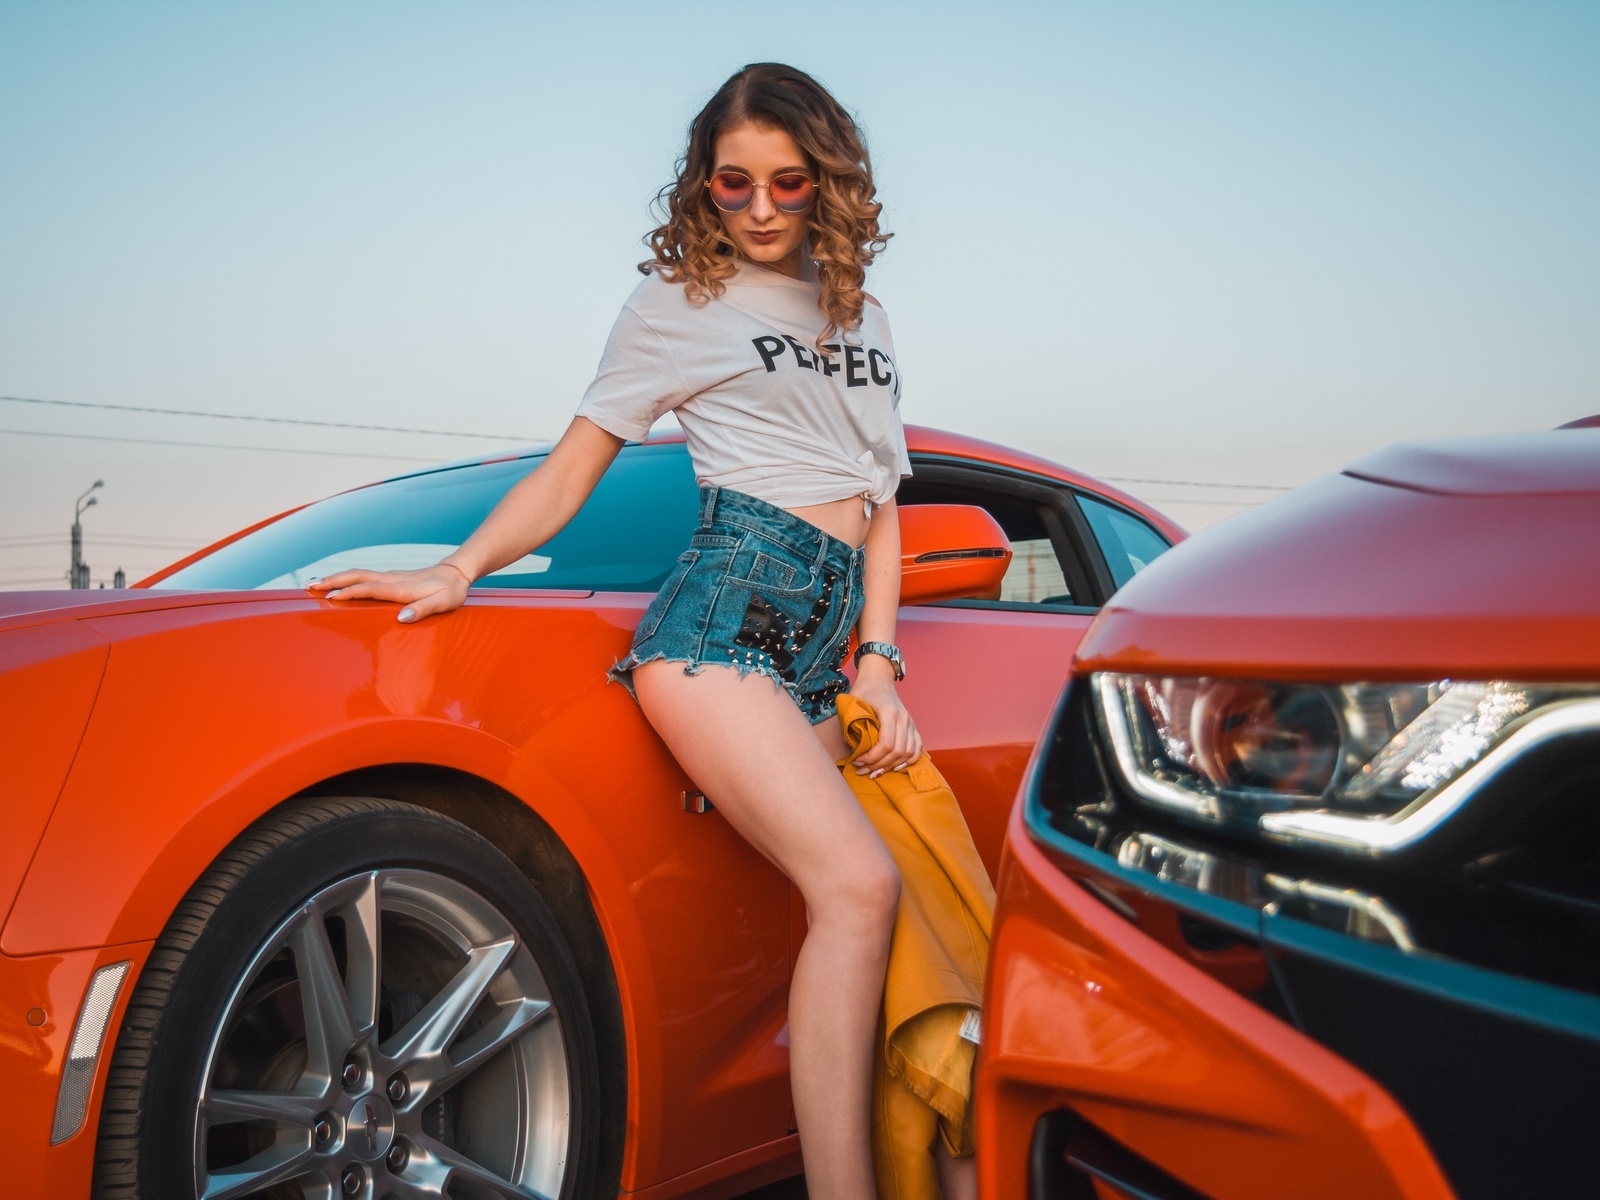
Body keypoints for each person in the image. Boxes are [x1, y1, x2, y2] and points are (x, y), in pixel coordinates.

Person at [310, 62, 972, 1200]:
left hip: (827, 652)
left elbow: (881, 509)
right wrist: (463, 563)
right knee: (859, 891)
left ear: (830, 183)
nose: (761, 210)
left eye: (788, 184)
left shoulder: (864, 313)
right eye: (733, 185)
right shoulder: (678, 307)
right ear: (701, 186)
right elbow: (574, 467)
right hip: (721, 625)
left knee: (898, 913)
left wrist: (881, 660)